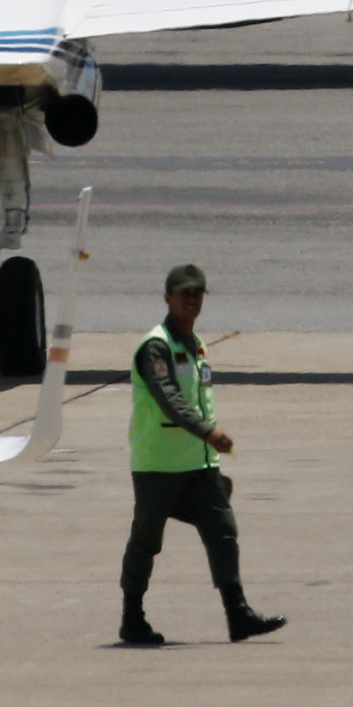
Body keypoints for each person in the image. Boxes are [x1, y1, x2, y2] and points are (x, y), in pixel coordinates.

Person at [120, 263, 284, 647]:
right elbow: (169, 398)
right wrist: (208, 432)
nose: (191, 299)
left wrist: (208, 443)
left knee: (223, 531)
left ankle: (238, 614)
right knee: (146, 541)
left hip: (199, 465)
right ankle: (132, 618)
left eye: (198, 293)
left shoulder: (197, 346)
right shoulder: (156, 346)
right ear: (168, 298)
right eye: (184, 293)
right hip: (158, 465)